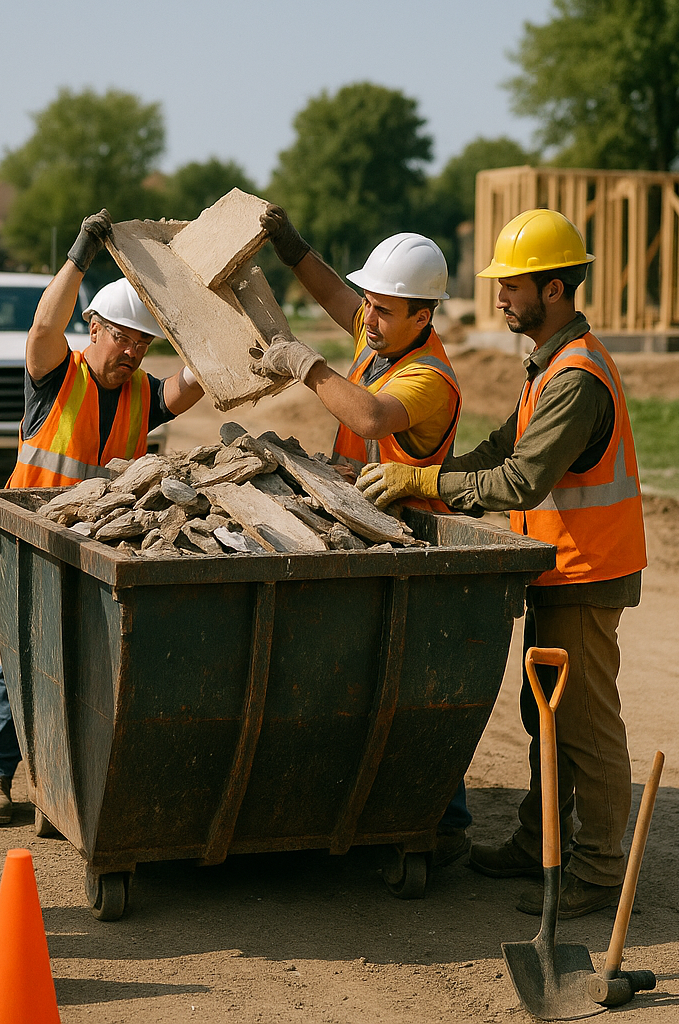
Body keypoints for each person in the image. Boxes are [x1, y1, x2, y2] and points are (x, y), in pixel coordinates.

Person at [357, 209, 646, 918]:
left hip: (586, 572)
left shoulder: (576, 378)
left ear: (555, 289)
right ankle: (537, 840)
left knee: (584, 725)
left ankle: (603, 870)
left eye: (513, 286)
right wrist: (434, 476)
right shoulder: (548, 364)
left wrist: (424, 484)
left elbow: (520, 482)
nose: (499, 298)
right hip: (557, 569)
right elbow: (497, 452)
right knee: (543, 717)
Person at [0, 209, 205, 825]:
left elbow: (196, 379)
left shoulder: (140, 394)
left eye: (142, 341)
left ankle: (62, 777)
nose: (131, 350)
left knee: (90, 660)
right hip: (33, 533)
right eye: (121, 336)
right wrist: (80, 249)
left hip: (100, 542)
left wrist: (209, 309)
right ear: (93, 327)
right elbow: (45, 323)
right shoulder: (53, 375)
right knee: (24, 651)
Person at [257, 206, 470, 865]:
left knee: (408, 680)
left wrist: (306, 364)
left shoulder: (429, 376)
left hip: (398, 538)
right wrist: (293, 249)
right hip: (356, 526)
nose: (366, 319)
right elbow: (332, 293)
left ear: (423, 316)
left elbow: (373, 417)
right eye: (369, 305)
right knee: (361, 675)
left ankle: (443, 822)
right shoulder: (383, 335)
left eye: (381, 310)